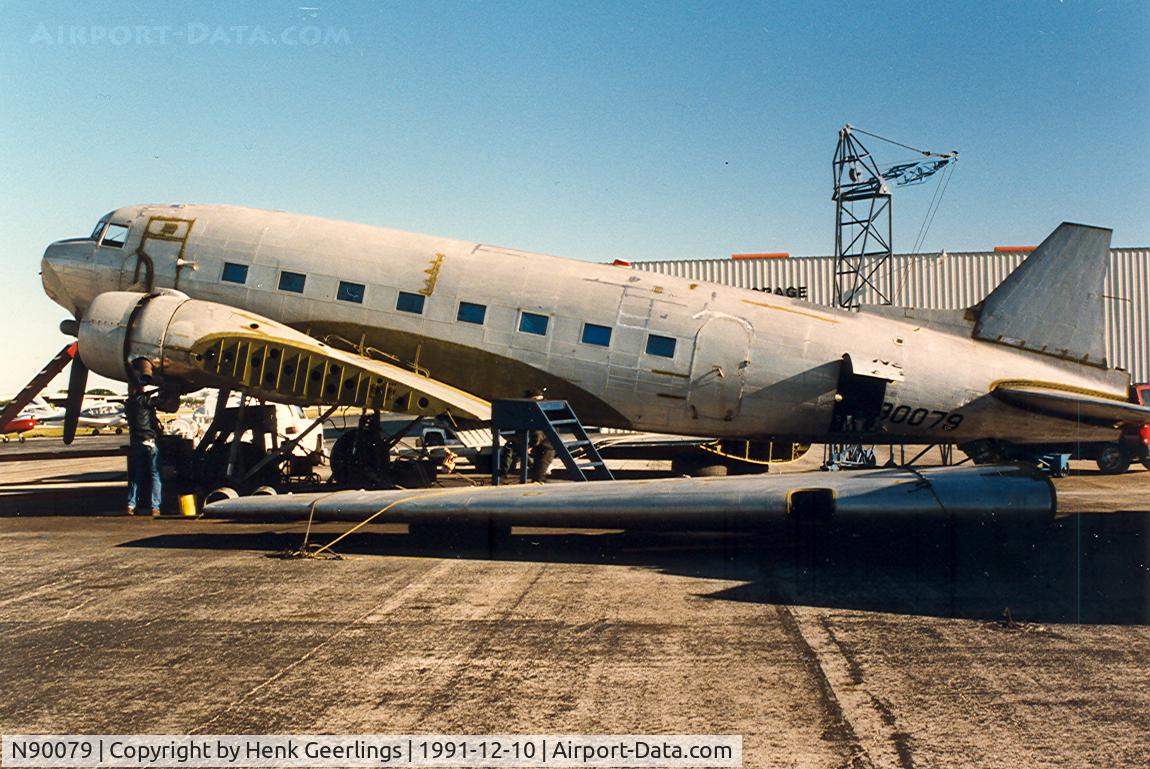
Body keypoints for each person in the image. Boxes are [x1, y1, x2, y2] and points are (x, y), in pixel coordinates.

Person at [125, 358, 163, 516]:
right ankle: (155, 507)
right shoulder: (145, 402)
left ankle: (131, 505)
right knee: (155, 475)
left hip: (137, 443)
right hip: (150, 442)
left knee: (138, 474)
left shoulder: (129, 405)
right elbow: (161, 402)